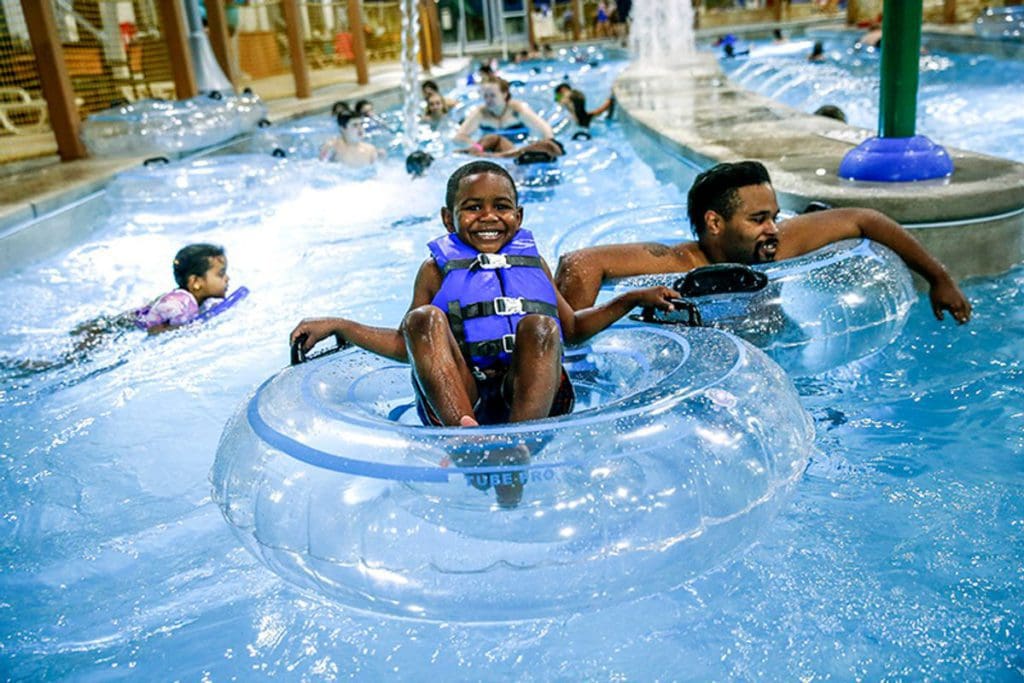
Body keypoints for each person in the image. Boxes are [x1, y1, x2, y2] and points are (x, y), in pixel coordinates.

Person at [290, 162, 676, 506]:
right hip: (462, 397)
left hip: (530, 397)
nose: (488, 217)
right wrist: (343, 326)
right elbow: (406, 343)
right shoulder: (435, 270)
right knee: (423, 319)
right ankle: (466, 442)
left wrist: (630, 299)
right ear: (448, 218)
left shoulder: (532, 262)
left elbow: (571, 329)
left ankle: (517, 452)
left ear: (519, 215)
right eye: (473, 207)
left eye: (501, 206)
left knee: (541, 326)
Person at [555, 160, 972, 325]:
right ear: (714, 223)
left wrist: (940, 278)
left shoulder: (778, 247)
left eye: (774, 216)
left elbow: (866, 219)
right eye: (758, 219)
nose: (773, 228)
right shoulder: (679, 262)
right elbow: (581, 263)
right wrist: (575, 344)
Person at [454, 77, 564, 161]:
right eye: (485, 96)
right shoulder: (480, 113)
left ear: (505, 94)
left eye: (492, 95)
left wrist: (548, 142)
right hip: (492, 151)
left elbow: (544, 129)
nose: (488, 100)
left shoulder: (517, 109)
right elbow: (459, 137)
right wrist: (477, 146)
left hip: (519, 147)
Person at [133, 243, 231, 334]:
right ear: (195, 282)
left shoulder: (198, 301)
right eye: (221, 274)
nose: (227, 278)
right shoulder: (176, 304)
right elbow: (153, 331)